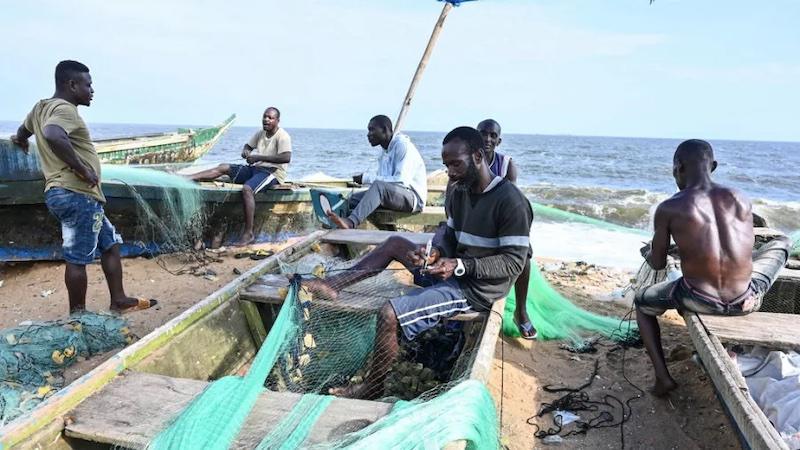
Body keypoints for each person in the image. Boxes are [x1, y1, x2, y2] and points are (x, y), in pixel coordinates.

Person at [305, 126, 533, 399]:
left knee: (389, 314)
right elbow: (449, 234)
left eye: (456, 164)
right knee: (393, 244)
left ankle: (373, 386)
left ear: (477, 156)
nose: (450, 172)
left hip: (476, 288)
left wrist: (459, 266)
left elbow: (513, 263)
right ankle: (334, 284)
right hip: (451, 268)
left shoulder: (510, 201)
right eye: (446, 165)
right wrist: (434, 252)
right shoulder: (458, 192)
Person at [634, 139, 791, 397]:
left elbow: (658, 262)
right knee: (781, 244)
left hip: (699, 298)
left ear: (678, 168)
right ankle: (752, 292)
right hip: (746, 298)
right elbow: (741, 250)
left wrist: (652, 250)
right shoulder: (739, 198)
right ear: (713, 166)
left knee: (642, 303)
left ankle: (663, 379)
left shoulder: (670, 207)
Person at [9, 60, 157, 315]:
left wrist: (20, 140)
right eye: (88, 85)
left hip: (72, 195)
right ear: (72, 84)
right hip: (75, 194)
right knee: (78, 257)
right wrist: (82, 169)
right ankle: (78, 318)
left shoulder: (39, 108)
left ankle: (119, 299)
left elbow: (23, 132)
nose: (92, 90)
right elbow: (54, 134)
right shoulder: (65, 110)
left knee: (110, 244)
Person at [187, 107, 291, 246]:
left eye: (270, 118)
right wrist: (246, 153)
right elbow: (247, 146)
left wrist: (258, 157)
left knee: (247, 189)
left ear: (277, 121)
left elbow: (286, 157)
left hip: (272, 172)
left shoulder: (283, 136)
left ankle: (249, 233)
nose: (266, 120)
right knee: (224, 167)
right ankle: (189, 177)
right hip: (256, 168)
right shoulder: (260, 133)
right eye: (264, 116)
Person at [477, 119, 536, 340]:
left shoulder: (506, 165)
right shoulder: (468, 159)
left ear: (499, 141)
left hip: (499, 224)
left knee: (525, 255)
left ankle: (521, 311)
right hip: (474, 222)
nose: (487, 139)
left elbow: (513, 204)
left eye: (493, 135)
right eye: (483, 133)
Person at [326, 115, 427, 229]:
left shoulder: (403, 146)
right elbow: (384, 182)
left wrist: (366, 179)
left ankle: (350, 222)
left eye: (372, 129)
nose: (368, 134)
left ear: (384, 129)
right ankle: (335, 225)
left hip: (413, 199)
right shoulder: (384, 152)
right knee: (351, 199)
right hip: (393, 196)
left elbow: (400, 182)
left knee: (378, 187)